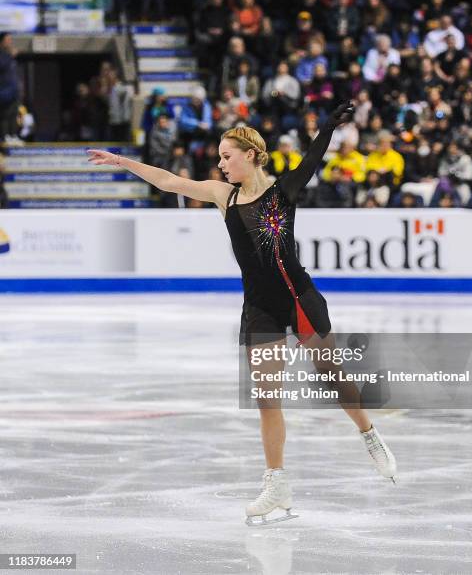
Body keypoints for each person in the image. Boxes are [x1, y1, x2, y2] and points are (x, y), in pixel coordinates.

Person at [87, 102, 397, 526]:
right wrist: (122, 161)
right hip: (260, 308)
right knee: (268, 399)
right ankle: (277, 482)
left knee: (333, 378)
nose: (220, 163)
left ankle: (370, 435)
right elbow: (168, 180)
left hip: (300, 300)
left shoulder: (281, 194)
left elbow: (312, 158)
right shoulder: (222, 196)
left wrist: (327, 127)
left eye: (227, 156)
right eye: (219, 157)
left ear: (251, 155)